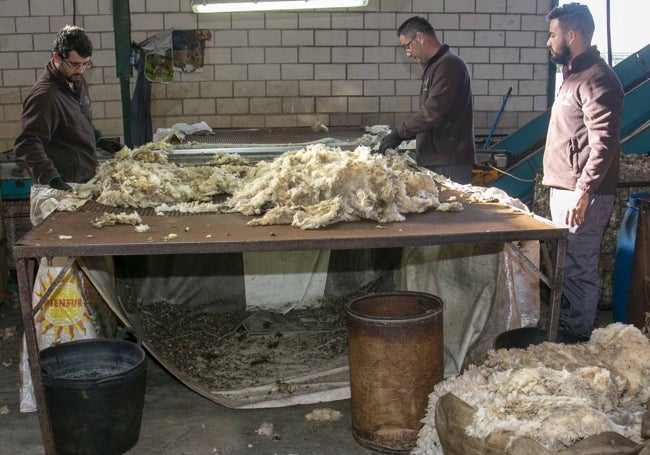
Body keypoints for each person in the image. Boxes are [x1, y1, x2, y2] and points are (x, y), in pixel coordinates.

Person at [542, 3, 623, 337]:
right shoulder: (574, 76)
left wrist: (583, 191)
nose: (548, 42)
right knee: (567, 267)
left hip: (582, 195)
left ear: (571, 35)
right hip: (567, 189)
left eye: (552, 35)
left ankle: (576, 341)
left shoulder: (598, 79)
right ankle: (564, 332)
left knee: (578, 270)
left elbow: (604, 143)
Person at [14, 25, 122, 192]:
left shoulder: (76, 80)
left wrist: (99, 140)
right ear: (56, 57)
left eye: (85, 64)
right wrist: (53, 180)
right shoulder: (45, 96)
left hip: (85, 180)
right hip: (63, 188)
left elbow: (77, 120)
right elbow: (28, 143)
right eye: (74, 64)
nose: (80, 70)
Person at [378, 16, 476, 184]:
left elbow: (432, 112)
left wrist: (400, 133)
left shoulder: (449, 65)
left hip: (449, 162)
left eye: (407, 46)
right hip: (438, 159)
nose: (408, 53)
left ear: (420, 38)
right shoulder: (435, 66)